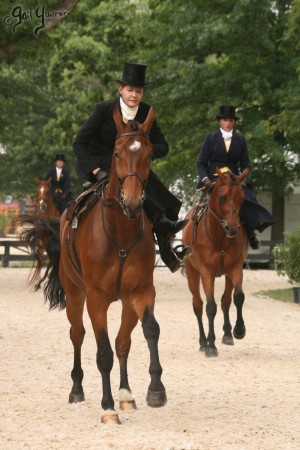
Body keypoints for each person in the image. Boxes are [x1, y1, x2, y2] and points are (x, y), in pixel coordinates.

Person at [73, 61, 191, 273]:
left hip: (133, 166)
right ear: (120, 89)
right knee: (77, 207)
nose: (134, 95)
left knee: (154, 194)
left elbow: (164, 146)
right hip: (101, 166)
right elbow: (79, 143)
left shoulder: (146, 112)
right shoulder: (103, 109)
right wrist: (96, 170)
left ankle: (167, 246)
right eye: (130, 90)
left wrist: (143, 150)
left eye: (138, 91)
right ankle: (70, 239)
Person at [197, 105, 274, 249]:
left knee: (246, 199)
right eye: (225, 120)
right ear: (220, 121)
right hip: (213, 179)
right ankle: (190, 237)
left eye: (231, 120)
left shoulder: (241, 140)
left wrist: (242, 179)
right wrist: (205, 179)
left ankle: (251, 234)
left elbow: (246, 164)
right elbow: (201, 163)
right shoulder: (210, 138)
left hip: (234, 180)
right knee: (197, 208)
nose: (228, 123)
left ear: (234, 122)